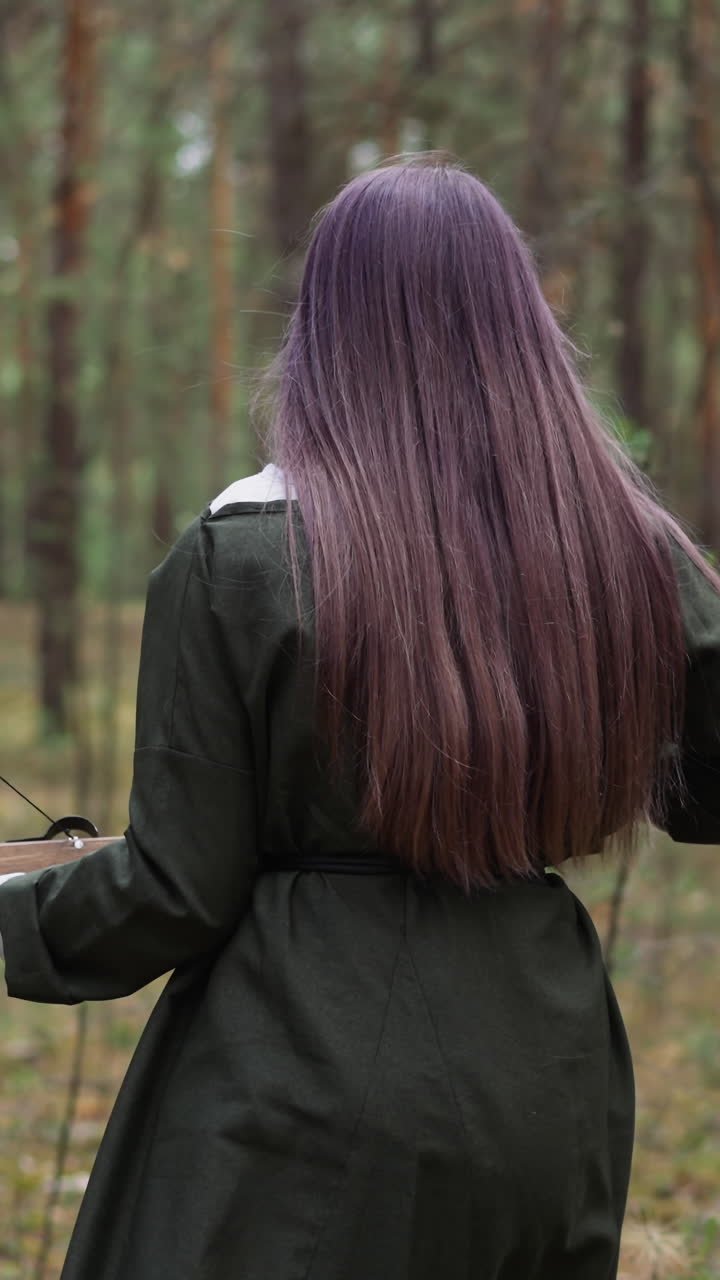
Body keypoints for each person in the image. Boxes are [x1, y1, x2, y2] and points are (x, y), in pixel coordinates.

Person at [1, 155, 719, 1280]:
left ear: (322, 336)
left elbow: (175, 892)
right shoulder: (626, 551)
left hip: (301, 1094)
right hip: (548, 1077)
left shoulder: (246, 556)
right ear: (521, 327)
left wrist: (15, 913)